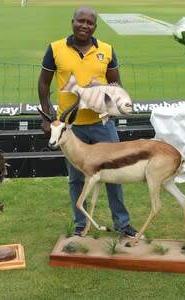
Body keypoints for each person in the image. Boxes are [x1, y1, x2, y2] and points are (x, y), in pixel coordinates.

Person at [38, 6, 139, 238]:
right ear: (72, 21)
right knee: (76, 178)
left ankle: (122, 224)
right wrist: (48, 116)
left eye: (90, 23)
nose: (84, 25)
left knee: (115, 174)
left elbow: (115, 84)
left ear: (95, 26)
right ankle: (80, 225)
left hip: (102, 126)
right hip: (70, 128)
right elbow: (44, 84)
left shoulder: (107, 49)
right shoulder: (55, 49)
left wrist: (111, 106)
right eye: (80, 21)